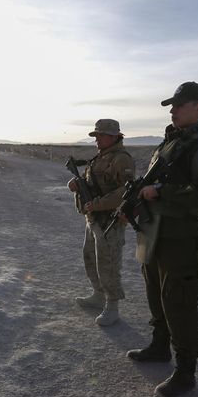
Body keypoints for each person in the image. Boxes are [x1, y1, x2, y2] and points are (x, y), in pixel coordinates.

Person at [126, 82, 198, 397]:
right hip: (153, 229)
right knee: (154, 290)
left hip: (180, 235)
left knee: (179, 300)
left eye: (180, 105)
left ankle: (186, 371)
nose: (173, 110)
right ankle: (159, 346)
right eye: (173, 105)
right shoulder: (169, 143)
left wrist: (161, 192)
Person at [68, 119, 135, 326]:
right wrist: (77, 185)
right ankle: (98, 295)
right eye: (96, 136)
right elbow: (93, 183)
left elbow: (127, 191)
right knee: (90, 258)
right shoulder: (100, 157)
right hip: (94, 219)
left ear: (115, 136)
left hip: (109, 221)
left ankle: (112, 306)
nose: (97, 139)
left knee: (109, 263)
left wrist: (97, 205)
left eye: (101, 135)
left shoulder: (121, 159)